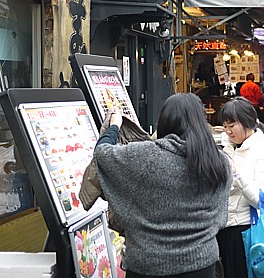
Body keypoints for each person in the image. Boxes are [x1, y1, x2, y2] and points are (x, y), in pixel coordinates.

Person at [93, 94, 232, 278]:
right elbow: (219, 216)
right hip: (201, 263)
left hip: (147, 265)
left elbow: (102, 154)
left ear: (165, 121)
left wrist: (114, 126)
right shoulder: (218, 161)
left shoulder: (144, 156)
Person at [217, 97, 264, 278]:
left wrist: (236, 173)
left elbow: (261, 200)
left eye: (232, 126)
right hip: (222, 229)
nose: (228, 132)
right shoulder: (227, 148)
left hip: (246, 232)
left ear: (247, 123)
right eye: (225, 126)